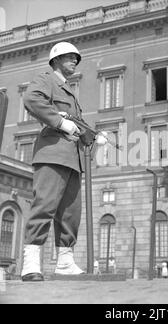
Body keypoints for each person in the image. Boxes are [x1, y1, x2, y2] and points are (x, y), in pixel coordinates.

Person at [21, 42, 107, 282]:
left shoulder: (69, 90)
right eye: (69, 57)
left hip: (73, 159)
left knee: (70, 213)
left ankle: (65, 262)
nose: (74, 62)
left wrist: (93, 136)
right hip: (53, 154)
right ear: (56, 59)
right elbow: (32, 99)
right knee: (44, 206)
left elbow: (76, 124)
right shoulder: (47, 79)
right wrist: (58, 122)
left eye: (76, 59)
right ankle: (30, 263)